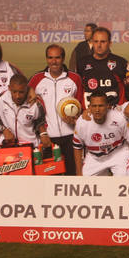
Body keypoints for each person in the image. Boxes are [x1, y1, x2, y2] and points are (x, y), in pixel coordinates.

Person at [29, 45, 84, 176]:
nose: (54, 61)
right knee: (50, 178)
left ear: (63, 58)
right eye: (50, 58)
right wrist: (42, 132)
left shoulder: (75, 78)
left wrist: (76, 120)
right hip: (48, 138)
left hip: (71, 136)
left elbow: (82, 105)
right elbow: (28, 107)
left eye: (57, 57)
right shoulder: (37, 79)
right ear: (46, 59)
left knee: (73, 174)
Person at [73, 92, 129, 177]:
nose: (97, 110)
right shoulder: (82, 123)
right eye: (94, 106)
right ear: (89, 107)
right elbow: (77, 147)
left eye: (101, 106)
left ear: (107, 106)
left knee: (125, 179)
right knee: (85, 181)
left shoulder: (119, 118)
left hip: (118, 153)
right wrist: (79, 173)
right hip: (95, 157)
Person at [0, 74, 51, 150]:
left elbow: (40, 121)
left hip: (31, 145)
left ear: (27, 89)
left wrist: (43, 134)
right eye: (14, 92)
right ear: (9, 88)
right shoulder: (0, 100)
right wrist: (4, 130)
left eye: (21, 92)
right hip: (7, 145)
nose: (17, 96)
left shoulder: (35, 105)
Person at [76, 27, 129, 105]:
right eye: (96, 41)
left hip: (115, 113)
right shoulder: (82, 63)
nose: (99, 45)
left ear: (110, 43)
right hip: (89, 114)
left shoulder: (121, 63)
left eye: (103, 42)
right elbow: (78, 91)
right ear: (92, 43)